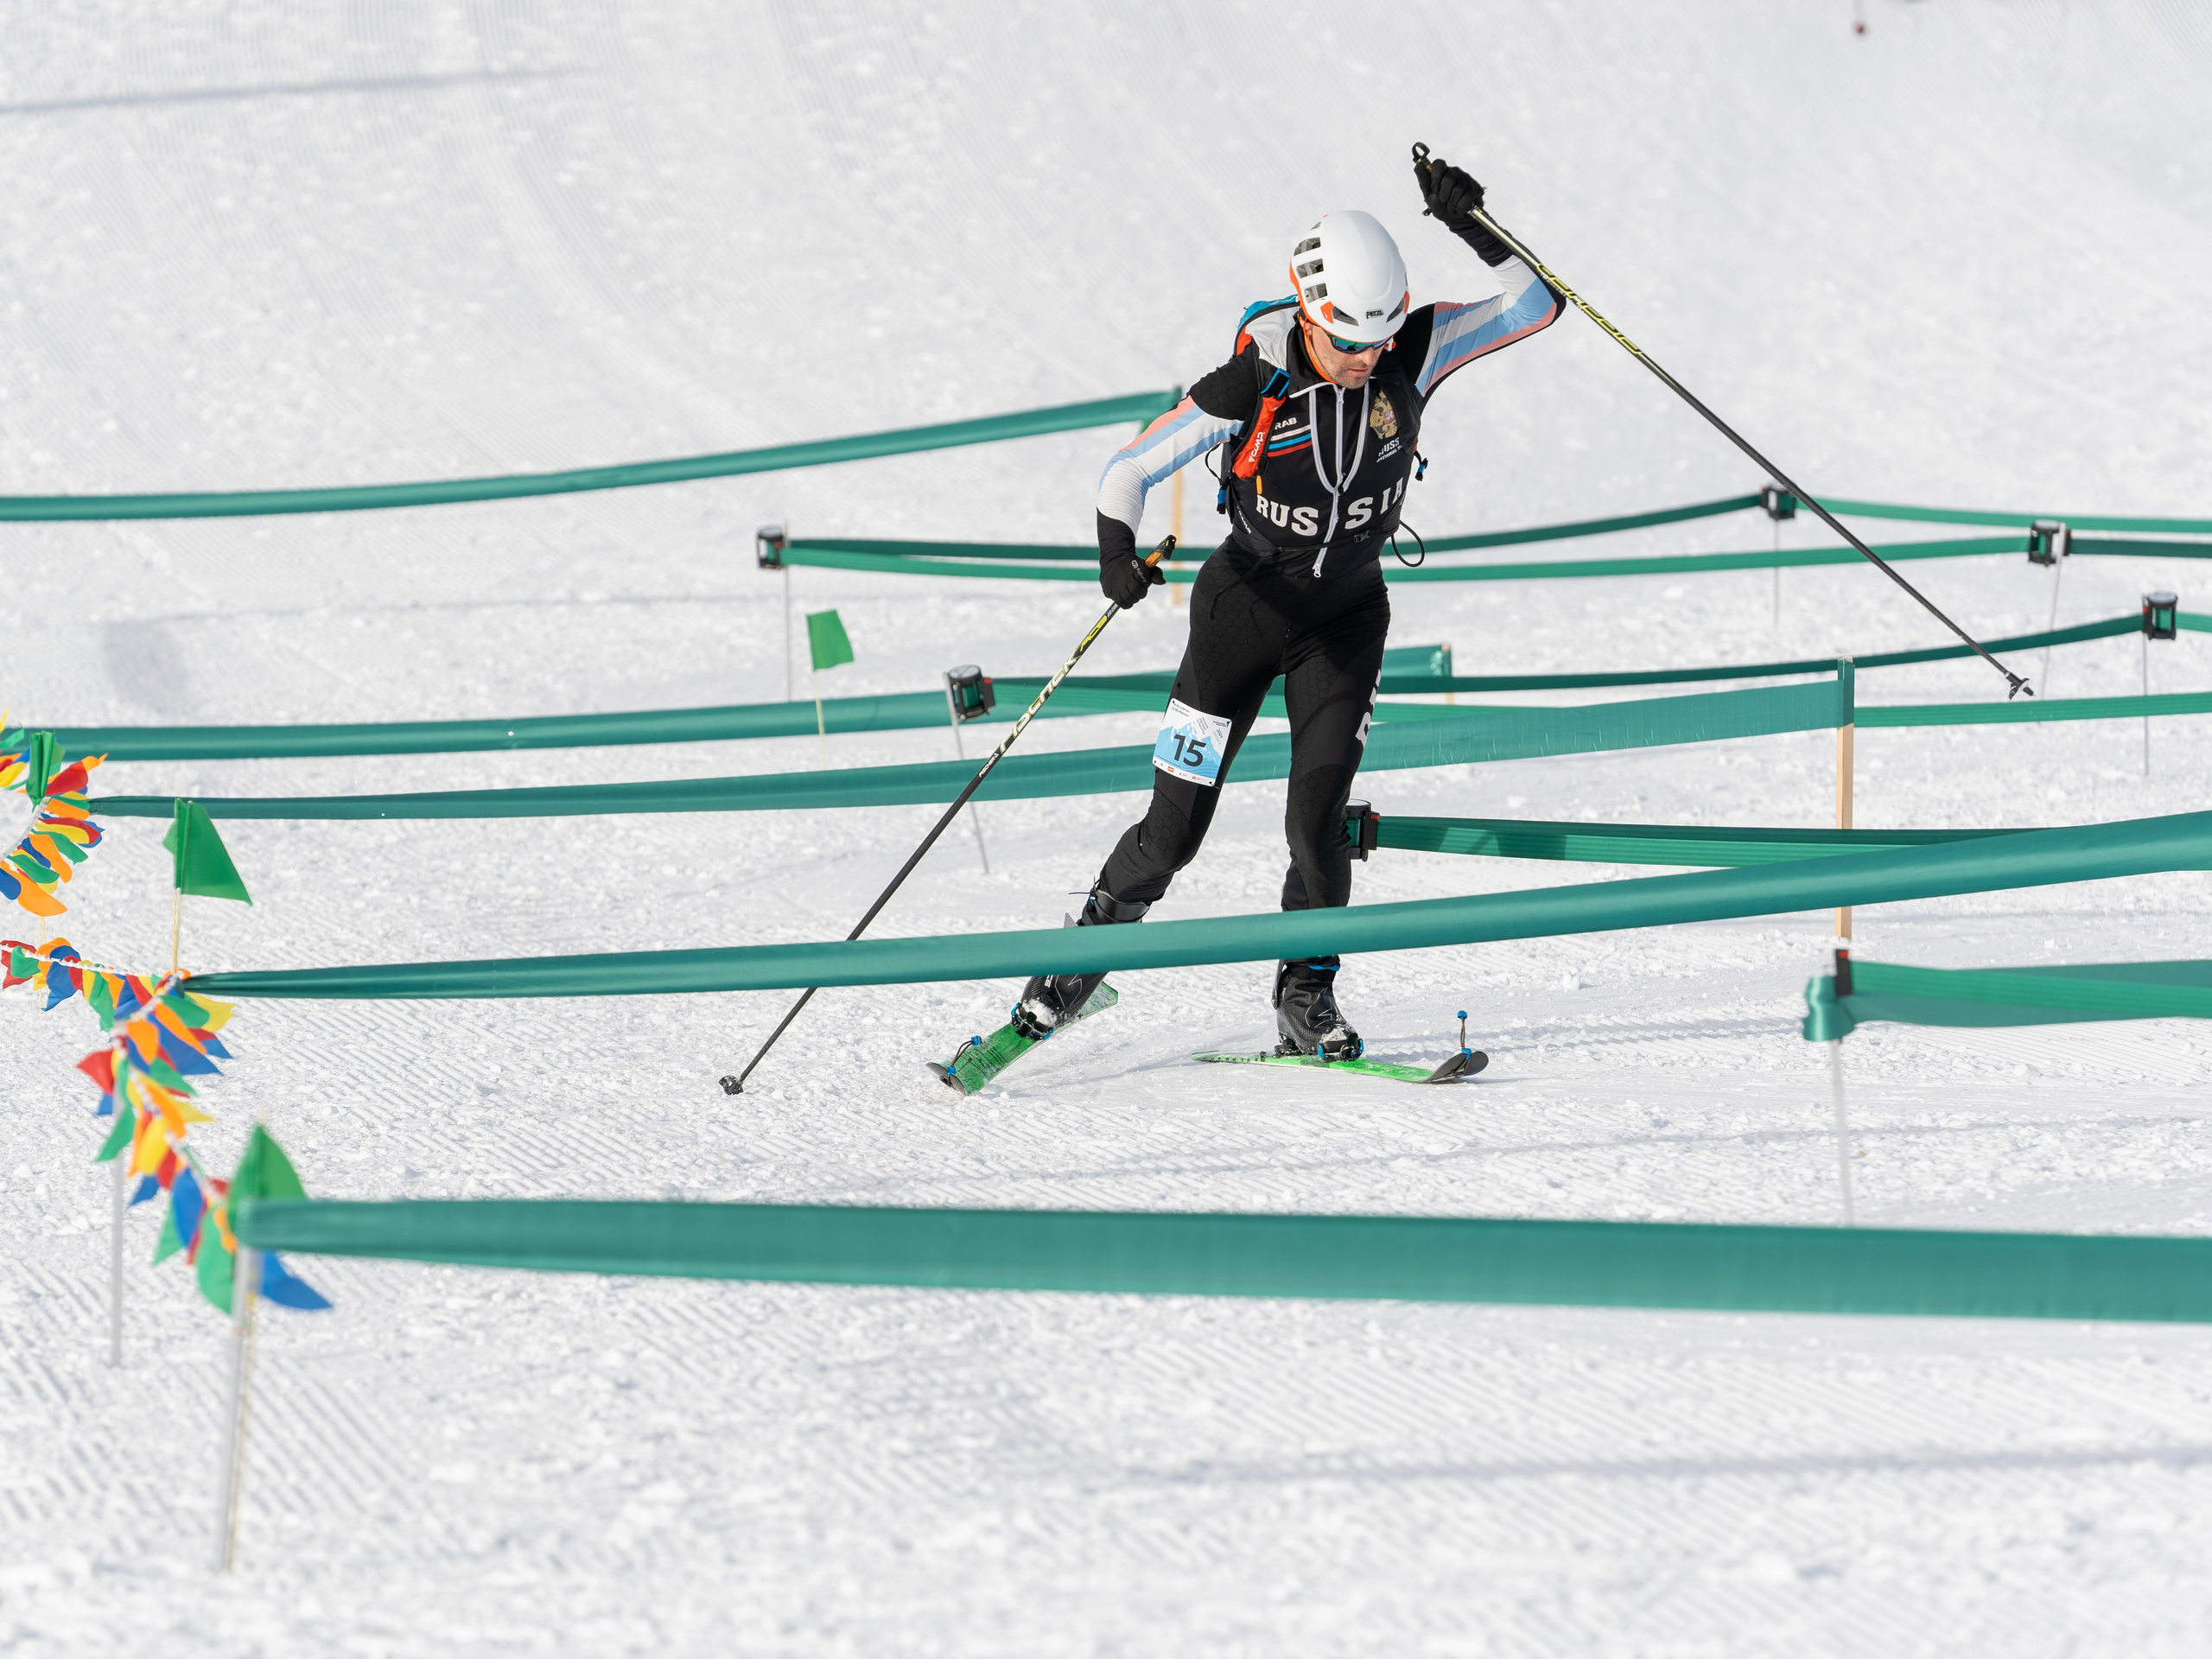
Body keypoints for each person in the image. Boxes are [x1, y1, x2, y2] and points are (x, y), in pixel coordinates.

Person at [1013, 154, 1561, 1059]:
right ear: (1309, 316)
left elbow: (1534, 306)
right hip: (1240, 613)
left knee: (1317, 823)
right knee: (1173, 832)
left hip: (1346, 619)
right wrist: (1116, 553)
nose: (1367, 358)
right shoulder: (1254, 379)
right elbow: (1130, 469)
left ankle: (1305, 994)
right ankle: (1075, 964)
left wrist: (1473, 224)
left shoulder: (1410, 350)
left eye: (1379, 340)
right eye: (1349, 342)